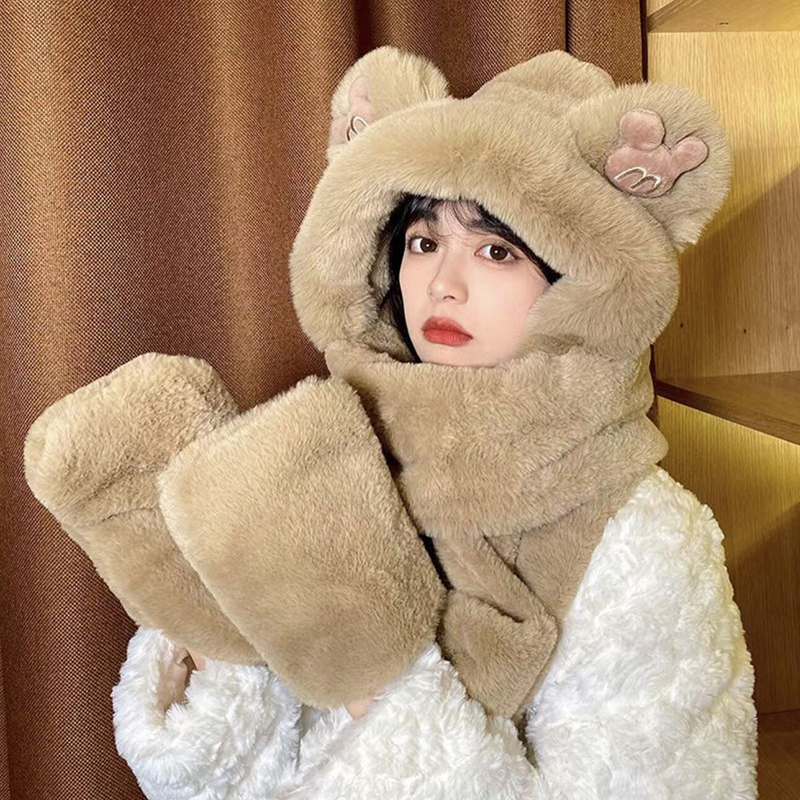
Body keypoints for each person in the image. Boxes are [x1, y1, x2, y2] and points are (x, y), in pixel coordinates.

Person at [25, 46, 758, 799]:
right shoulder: (321, 456)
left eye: (496, 250)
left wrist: (384, 685)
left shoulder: (644, 537)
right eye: (423, 242)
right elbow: (223, 781)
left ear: (580, 285)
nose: (442, 283)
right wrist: (225, 654)